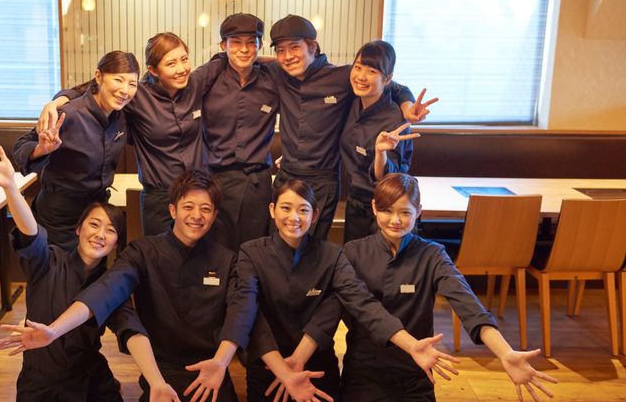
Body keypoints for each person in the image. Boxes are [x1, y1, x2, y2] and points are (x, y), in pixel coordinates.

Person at [0, 170, 259, 402]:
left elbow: (241, 308)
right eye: (188, 206)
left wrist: (222, 361)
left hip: (206, 369)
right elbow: (107, 292)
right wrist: (53, 331)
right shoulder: (137, 253)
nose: (197, 215)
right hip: (153, 370)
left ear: (214, 216)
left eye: (206, 209)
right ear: (172, 210)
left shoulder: (226, 259)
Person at [237, 178, 461, 402]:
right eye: (286, 208)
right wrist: (283, 371)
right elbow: (249, 314)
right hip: (269, 363)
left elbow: (345, 304)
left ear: (315, 215)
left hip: (316, 360)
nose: (294, 217)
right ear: (272, 210)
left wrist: (299, 359)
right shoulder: (251, 252)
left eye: (303, 209)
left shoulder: (331, 255)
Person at [340, 173, 559, 402]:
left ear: (419, 211)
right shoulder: (353, 253)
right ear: (374, 208)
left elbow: (466, 301)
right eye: (387, 211)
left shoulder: (432, 254)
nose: (395, 220)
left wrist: (504, 352)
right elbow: (366, 310)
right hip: (366, 372)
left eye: (405, 212)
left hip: (416, 371)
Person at [0, 143, 132, 402]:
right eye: (94, 224)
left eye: (111, 230)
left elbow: (130, 326)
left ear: (116, 243)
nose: (100, 234)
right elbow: (31, 232)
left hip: (90, 381)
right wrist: (11, 188)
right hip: (41, 386)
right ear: (78, 229)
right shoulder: (48, 261)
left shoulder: (111, 282)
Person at [266, 15, 437, 240]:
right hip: (287, 175)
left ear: (312, 47)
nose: (288, 56)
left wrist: (407, 107)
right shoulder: (278, 72)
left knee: (312, 249)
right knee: (276, 244)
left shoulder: (342, 77)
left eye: (294, 47)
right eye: (281, 50)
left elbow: (392, 86)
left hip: (324, 181)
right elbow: (250, 61)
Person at [38, 33, 224, 236]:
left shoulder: (195, 83)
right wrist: (58, 101)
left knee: (201, 253)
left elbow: (223, 60)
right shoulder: (136, 95)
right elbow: (94, 89)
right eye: (171, 63)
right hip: (159, 197)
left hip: (197, 194)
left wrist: (250, 55)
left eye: (184, 59)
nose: (181, 68)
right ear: (153, 70)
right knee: (159, 253)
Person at [12, 50, 139, 250]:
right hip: (59, 217)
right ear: (98, 76)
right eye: (118, 80)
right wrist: (41, 149)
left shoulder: (121, 118)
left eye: (132, 84)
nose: (125, 90)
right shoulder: (69, 113)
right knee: (58, 267)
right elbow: (20, 146)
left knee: (92, 268)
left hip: (96, 213)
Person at [203, 13, 279, 250]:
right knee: (216, 252)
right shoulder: (208, 80)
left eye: (251, 42)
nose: (244, 50)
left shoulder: (272, 81)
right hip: (216, 181)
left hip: (257, 184)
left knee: (254, 251)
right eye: (236, 42)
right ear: (223, 45)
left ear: (261, 44)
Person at [339, 40, 420, 242]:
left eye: (372, 71)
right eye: (358, 67)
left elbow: (389, 178)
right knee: (353, 258)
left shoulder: (394, 119)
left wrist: (380, 152)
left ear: (387, 79)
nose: (361, 76)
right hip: (355, 202)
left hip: (387, 209)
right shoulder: (352, 101)